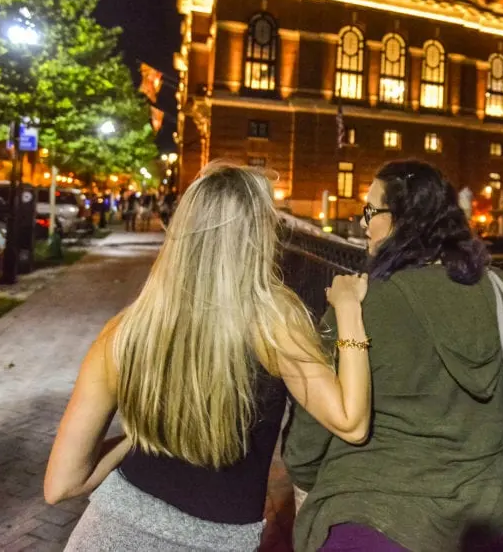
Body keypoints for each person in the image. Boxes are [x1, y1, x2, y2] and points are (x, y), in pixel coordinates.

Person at [45, 162, 373, 551]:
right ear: (259, 235)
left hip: (108, 532)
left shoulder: (124, 333)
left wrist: (140, 435)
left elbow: (61, 485)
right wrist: (349, 309)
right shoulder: (274, 324)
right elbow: (352, 422)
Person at [284, 159, 503, 552]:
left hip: (374, 512)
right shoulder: (501, 294)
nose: (363, 224)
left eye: (371, 211)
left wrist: (307, 476)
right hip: (484, 516)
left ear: (401, 220)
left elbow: (311, 433)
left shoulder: (360, 302)